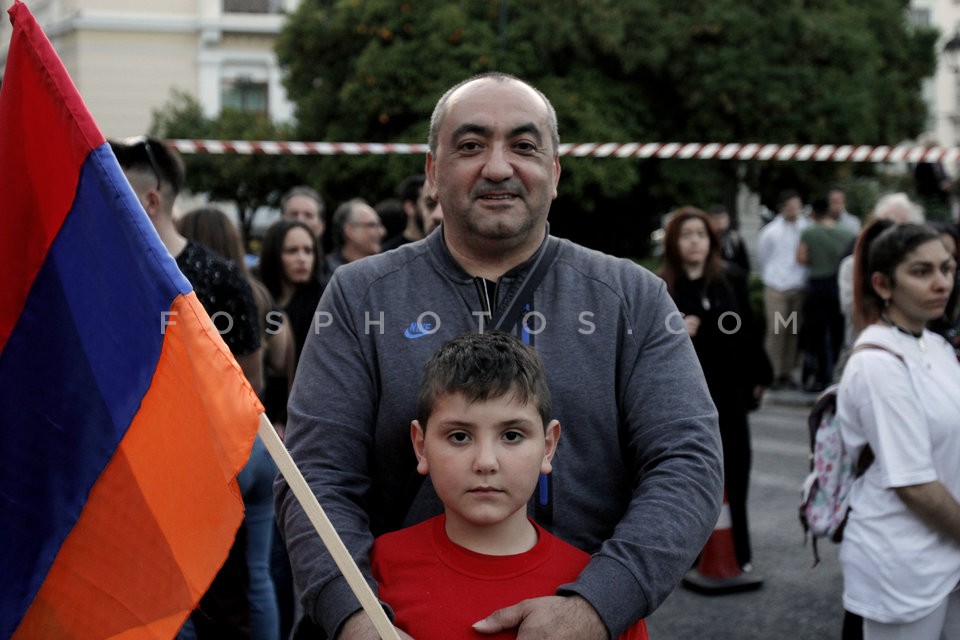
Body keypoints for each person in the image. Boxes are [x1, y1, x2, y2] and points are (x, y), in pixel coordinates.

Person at [275, 72, 722, 640]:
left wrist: (597, 605)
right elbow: (315, 476)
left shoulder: (631, 298)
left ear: (554, 173)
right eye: (470, 145)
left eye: (524, 145)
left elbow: (689, 463)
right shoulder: (361, 295)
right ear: (433, 173)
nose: (497, 166)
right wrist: (355, 617)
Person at [371, 331, 649, 639]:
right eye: (459, 436)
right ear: (421, 446)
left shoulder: (594, 595)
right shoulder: (376, 569)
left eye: (512, 436)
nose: (486, 462)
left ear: (547, 446)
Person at [109, 136, 262, 639]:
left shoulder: (217, 279)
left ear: (152, 199)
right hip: (128, 479)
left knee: (223, 608)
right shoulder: (109, 278)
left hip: (207, 477)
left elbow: (248, 384)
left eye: (116, 190)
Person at [837, 221, 960, 639]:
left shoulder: (937, 345)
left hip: (943, 549)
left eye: (947, 268)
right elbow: (914, 484)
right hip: (900, 564)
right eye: (922, 272)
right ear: (883, 285)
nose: (941, 282)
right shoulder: (878, 363)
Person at [178, 206, 288, 640]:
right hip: (260, 442)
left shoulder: (185, 294)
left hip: (210, 445)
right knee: (257, 571)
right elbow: (283, 357)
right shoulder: (260, 296)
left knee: (188, 576)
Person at [658, 207, 771, 571]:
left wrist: (760, 376)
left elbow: (752, 330)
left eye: (701, 234)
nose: (695, 241)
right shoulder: (661, 287)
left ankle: (740, 551)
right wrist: (672, 330)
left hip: (730, 391)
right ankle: (688, 555)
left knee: (737, 469)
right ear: (674, 242)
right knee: (689, 473)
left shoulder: (730, 279)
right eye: (687, 234)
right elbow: (642, 343)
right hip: (686, 398)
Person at [837, 193, 925, 351]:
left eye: (900, 228)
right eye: (884, 225)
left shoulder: (920, 267)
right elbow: (852, 310)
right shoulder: (852, 265)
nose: (890, 235)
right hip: (864, 347)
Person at [796, 195, 856, 391]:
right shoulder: (848, 232)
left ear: (813, 213)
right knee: (838, 333)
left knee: (817, 333)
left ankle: (820, 374)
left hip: (817, 285)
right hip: (838, 285)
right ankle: (836, 373)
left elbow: (801, 257)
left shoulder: (809, 232)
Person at [757, 189, 809, 389]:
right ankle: (772, 372)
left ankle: (787, 372)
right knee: (776, 330)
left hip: (798, 284)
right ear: (783, 208)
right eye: (791, 206)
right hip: (776, 285)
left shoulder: (805, 228)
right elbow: (763, 257)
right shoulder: (771, 231)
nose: (794, 210)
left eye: (797, 206)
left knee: (792, 330)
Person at [258, 219, 324, 366]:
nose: (302, 259)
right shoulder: (259, 297)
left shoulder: (324, 298)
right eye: (292, 250)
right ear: (273, 254)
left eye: (308, 250)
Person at [324, 198, 385, 273]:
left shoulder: (384, 270)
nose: (382, 232)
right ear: (350, 231)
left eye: (379, 225)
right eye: (372, 225)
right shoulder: (327, 274)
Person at [707, 203, 750, 272]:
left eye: (722, 218)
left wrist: (726, 266)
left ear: (728, 220)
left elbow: (745, 271)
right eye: (716, 218)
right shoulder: (705, 242)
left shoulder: (735, 240)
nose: (719, 221)